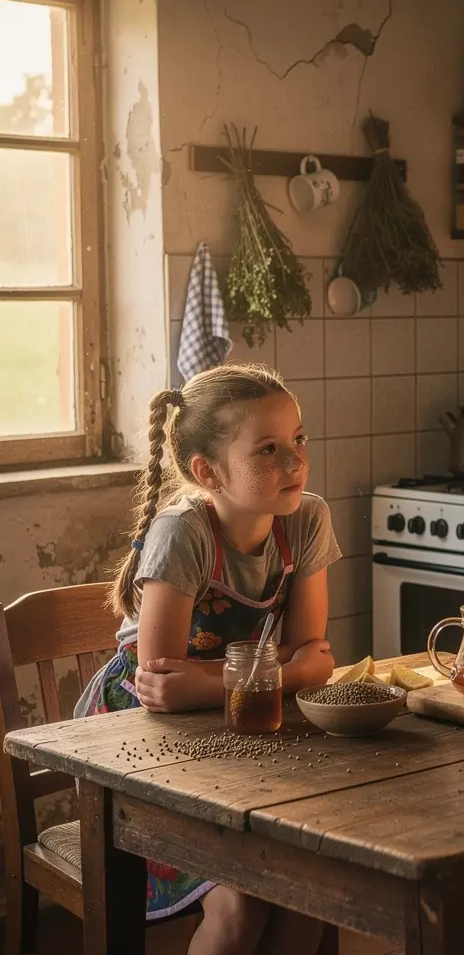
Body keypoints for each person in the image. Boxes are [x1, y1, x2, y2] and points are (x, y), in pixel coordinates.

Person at [76, 363, 339, 954]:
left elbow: (306, 649)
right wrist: (287, 674)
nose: (295, 462)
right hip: (141, 743)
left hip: (232, 725)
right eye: (268, 449)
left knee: (311, 888)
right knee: (242, 900)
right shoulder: (183, 533)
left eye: (299, 439)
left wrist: (218, 681)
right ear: (207, 472)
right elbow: (160, 682)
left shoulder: (307, 520)